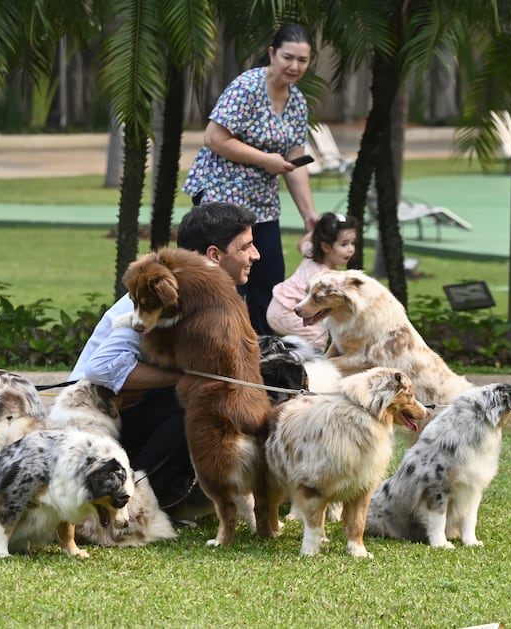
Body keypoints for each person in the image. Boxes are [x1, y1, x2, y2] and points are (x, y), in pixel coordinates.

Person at [68, 202, 260, 512]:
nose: (256, 255)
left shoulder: (211, 294)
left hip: (133, 413)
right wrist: (187, 378)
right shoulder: (159, 294)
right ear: (214, 255)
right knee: (196, 401)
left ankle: (171, 496)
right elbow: (100, 368)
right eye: (246, 246)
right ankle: (128, 502)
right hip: (92, 423)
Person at [182, 23, 319, 335]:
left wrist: (310, 216)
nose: (294, 66)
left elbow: (294, 162)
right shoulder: (247, 87)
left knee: (268, 281)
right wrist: (266, 159)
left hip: (262, 205)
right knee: (224, 284)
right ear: (272, 53)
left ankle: (262, 362)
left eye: (303, 60)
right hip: (222, 199)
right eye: (288, 57)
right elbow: (214, 137)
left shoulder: (297, 102)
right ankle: (216, 352)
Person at [266, 212, 358, 350]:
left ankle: (289, 353)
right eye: (344, 244)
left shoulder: (311, 252)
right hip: (286, 312)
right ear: (326, 247)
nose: (350, 249)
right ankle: (312, 368)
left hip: (278, 306)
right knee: (317, 337)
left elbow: (301, 243)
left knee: (308, 338)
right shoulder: (324, 277)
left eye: (352, 243)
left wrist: (318, 229)